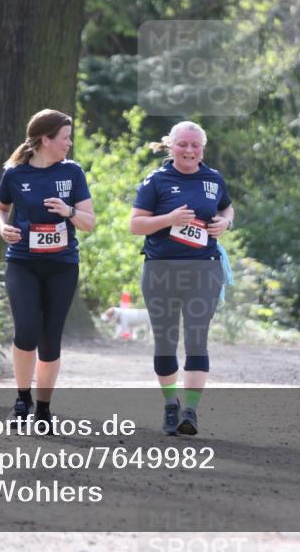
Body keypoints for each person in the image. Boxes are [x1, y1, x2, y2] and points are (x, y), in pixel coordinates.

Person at [0, 109, 95, 428]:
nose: (70, 143)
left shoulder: (73, 173)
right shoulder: (14, 173)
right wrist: (1, 227)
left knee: (50, 339)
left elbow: (89, 223)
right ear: (46, 139)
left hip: (62, 265)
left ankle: (44, 409)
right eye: (65, 137)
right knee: (26, 330)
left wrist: (68, 210)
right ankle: (22, 399)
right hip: (23, 262)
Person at [129, 121, 234, 435]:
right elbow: (136, 225)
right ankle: (170, 405)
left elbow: (228, 208)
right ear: (171, 146)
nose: (189, 150)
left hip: (204, 269)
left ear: (202, 148)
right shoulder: (156, 181)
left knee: (197, 338)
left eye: (195, 145)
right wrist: (169, 219)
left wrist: (224, 224)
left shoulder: (213, 179)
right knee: (165, 341)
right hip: (161, 270)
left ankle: (191, 411)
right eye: (183, 145)